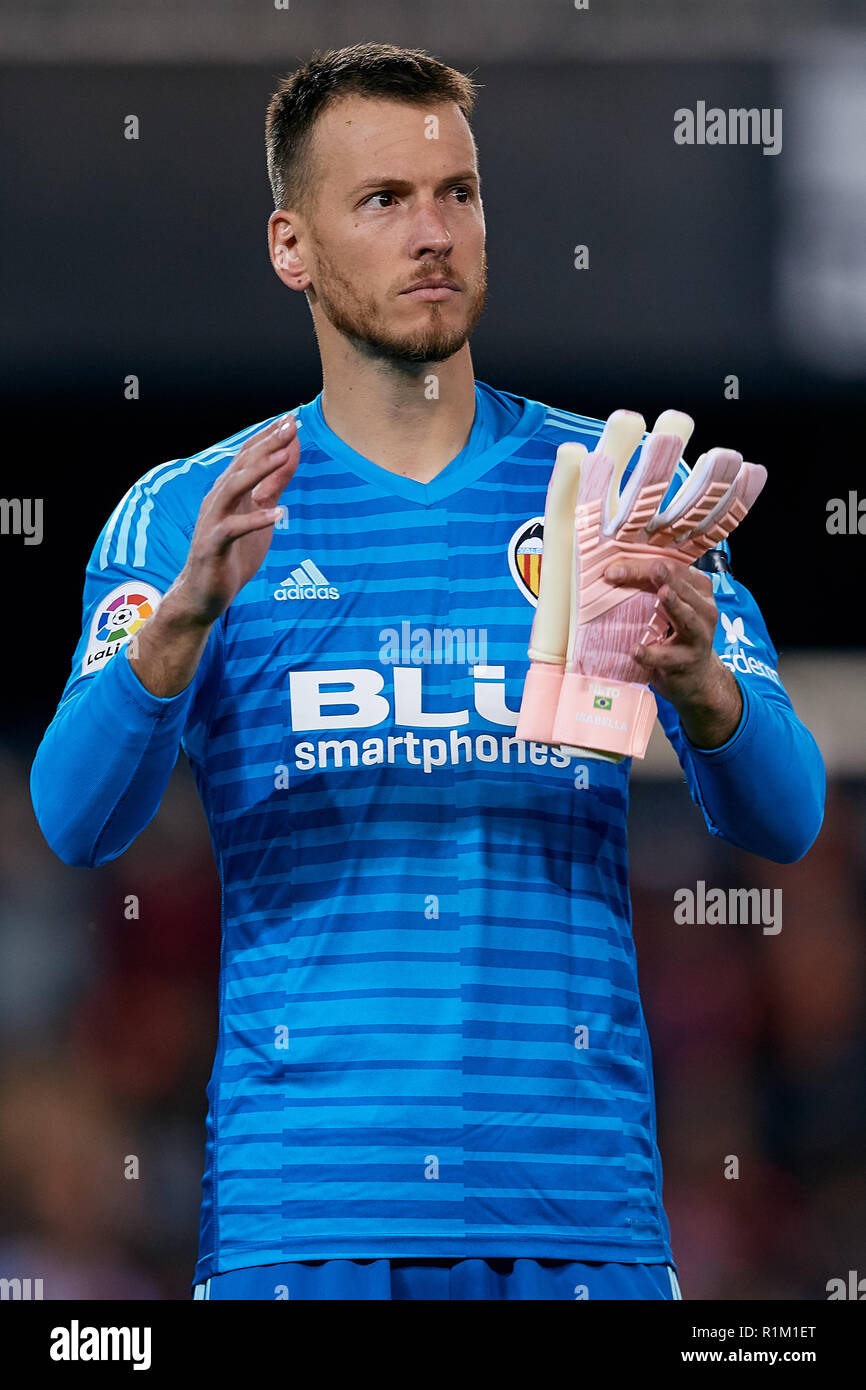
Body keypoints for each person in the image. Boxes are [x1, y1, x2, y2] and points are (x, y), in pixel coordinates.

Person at [31, 42, 825, 1301]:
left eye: (456, 192)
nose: (433, 232)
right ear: (292, 245)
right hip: (306, 1218)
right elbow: (75, 821)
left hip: (577, 1214)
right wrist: (180, 624)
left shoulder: (615, 499)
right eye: (384, 200)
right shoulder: (190, 511)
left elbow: (786, 817)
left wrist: (700, 685)